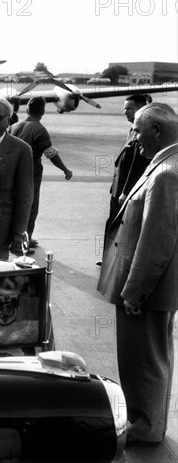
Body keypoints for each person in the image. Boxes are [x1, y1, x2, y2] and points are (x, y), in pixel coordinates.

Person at [97, 103, 178, 445]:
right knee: (150, 357)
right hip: (151, 289)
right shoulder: (165, 164)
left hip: (146, 290)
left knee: (143, 360)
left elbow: (156, 241)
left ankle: (145, 427)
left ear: (157, 131)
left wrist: (135, 291)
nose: (134, 137)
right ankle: (149, 421)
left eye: (138, 130)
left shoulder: (167, 173)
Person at [10, 96, 72, 249]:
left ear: (27, 110)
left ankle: (14, 238)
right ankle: (23, 242)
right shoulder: (39, 129)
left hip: (12, 174)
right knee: (30, 208)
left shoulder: (15, 126)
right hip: (31, 175)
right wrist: (65, 169)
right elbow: (51, 154)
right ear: (43, 111)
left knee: (14, 206)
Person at [96, 94, 151, 265]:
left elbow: (137, 166)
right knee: (112, 224)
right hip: (117, 189)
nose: (125, 112)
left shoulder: (142, 134)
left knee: (125, 227)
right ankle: (107, 258)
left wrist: (125, 192)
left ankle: (119, 261)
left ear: (140, 110)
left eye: (129, 109)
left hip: (126, 192)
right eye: (124, 108)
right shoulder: (133, 130)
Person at [0, 97, 33, 260]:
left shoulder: (21, 149)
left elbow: (25, 195)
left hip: (0, 228)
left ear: (8, 121)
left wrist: (19, 233)